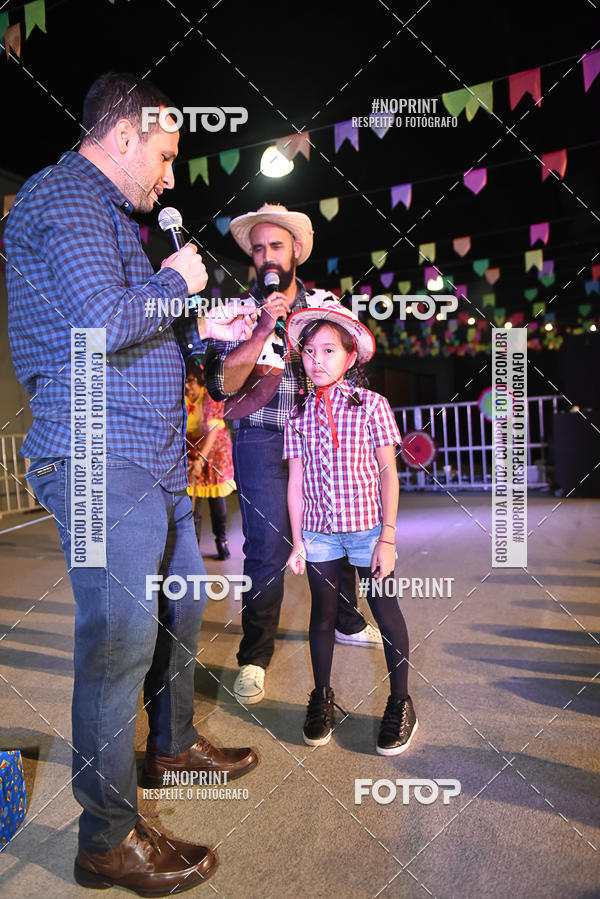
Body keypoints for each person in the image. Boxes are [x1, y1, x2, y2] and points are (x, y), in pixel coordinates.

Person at [5, 72, 259, 895]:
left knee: (182, 600)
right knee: (117, 643)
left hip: (149, 454)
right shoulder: (66, 197)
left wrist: (198, 332)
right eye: (165, 152)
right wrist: (177, 286)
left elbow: (136, 330)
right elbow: (100, 322)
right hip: (94, 451)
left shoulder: (111, 214)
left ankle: (173, 742)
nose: (171, 174)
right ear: (123, 136)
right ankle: (106, 841)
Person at [204, 204, 384, 706]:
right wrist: (261, 327)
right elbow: (221, 386)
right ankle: (255, 657)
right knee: (266, 545)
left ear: (296, 251)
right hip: (259, 435)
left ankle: (346, 619)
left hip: (317, 432)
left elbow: (349, 362)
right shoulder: (235, 310)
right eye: (257, 248)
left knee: (339, 526)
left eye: (275, 246)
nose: (266, 256)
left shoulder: (326, 302)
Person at [284, 304, 418, 755]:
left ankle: (401, 702)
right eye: (309, 351)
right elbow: (297, 483)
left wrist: (388, 537)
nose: (317, 359)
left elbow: (387, 473)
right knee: (321, 616)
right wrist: (298, 541)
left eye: (328, 350)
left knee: (385, 613)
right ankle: (322, 697)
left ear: (349, 357)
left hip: (367, 533)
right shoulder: (298, 413)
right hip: (320, 533)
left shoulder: (372, 406)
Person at [185, 362, 236, 560]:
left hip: (214, 452)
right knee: (191, 502)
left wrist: (202, 459)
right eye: (186, 382)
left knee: (216, 500)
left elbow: (213, 431)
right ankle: (192, 545)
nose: (189, 387)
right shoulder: (181, 399)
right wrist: (193, 460)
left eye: (192, 381)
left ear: (200, 380)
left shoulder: (210, 396)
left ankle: (221, 541)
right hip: (191, 453)